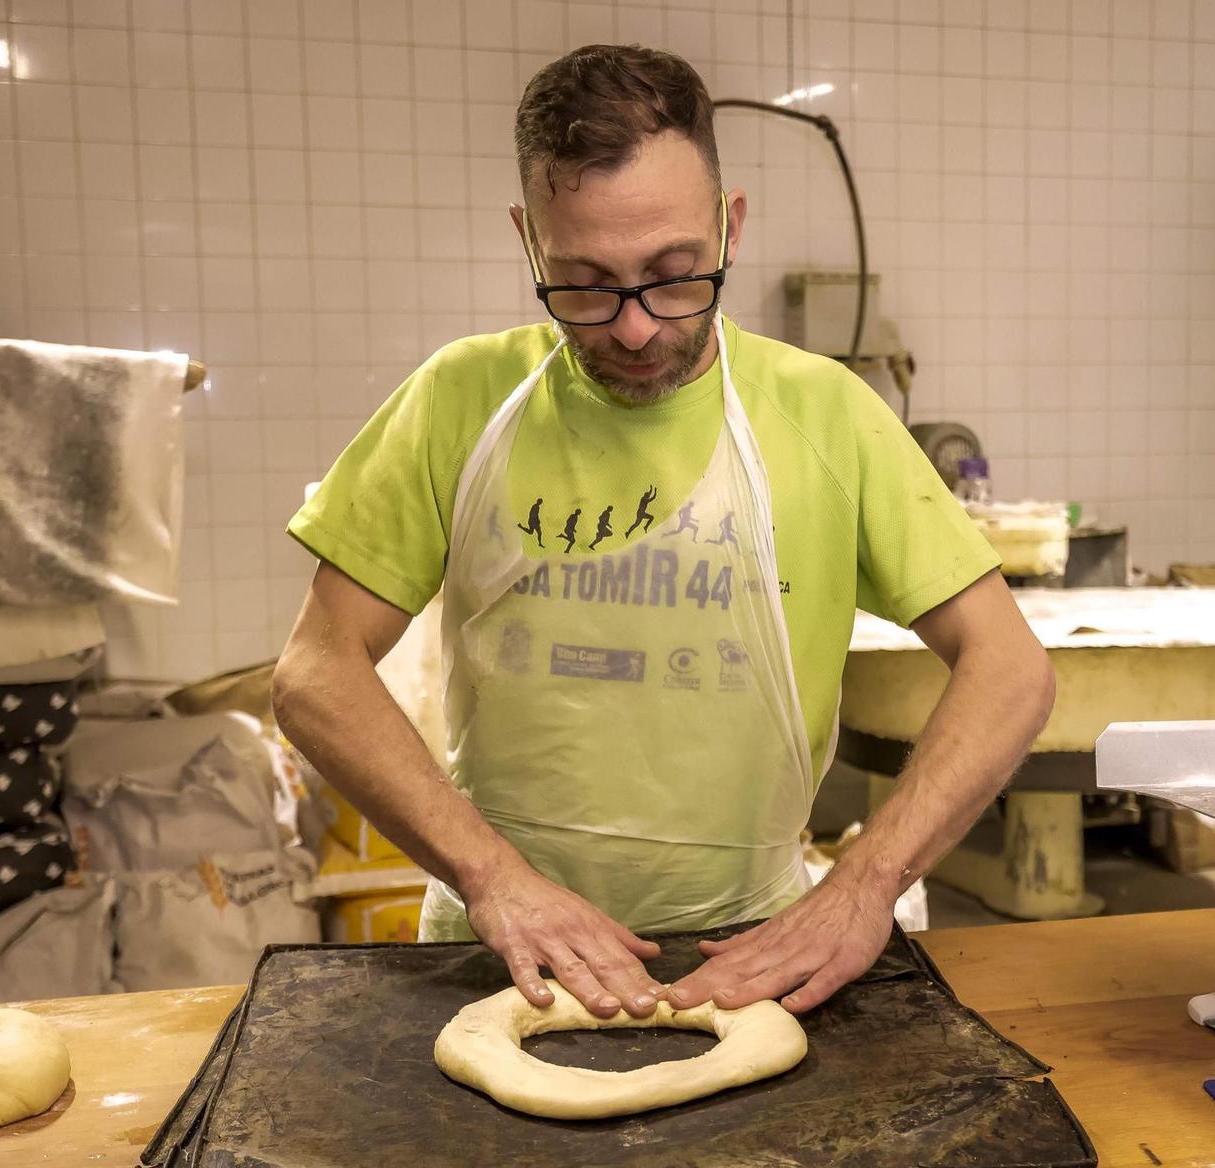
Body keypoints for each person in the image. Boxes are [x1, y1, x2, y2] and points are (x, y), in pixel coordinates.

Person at [275, 45, 1053, 1022]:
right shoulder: (456, 402)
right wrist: (492, 876)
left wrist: (863, 886)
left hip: (755, 954)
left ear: (729, 225)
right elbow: (314, 670)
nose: (637, 328)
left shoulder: (826, 415)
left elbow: (1009, 666)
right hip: (501, 952)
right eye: (585, 283)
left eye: (675, 275)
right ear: (528, 245)